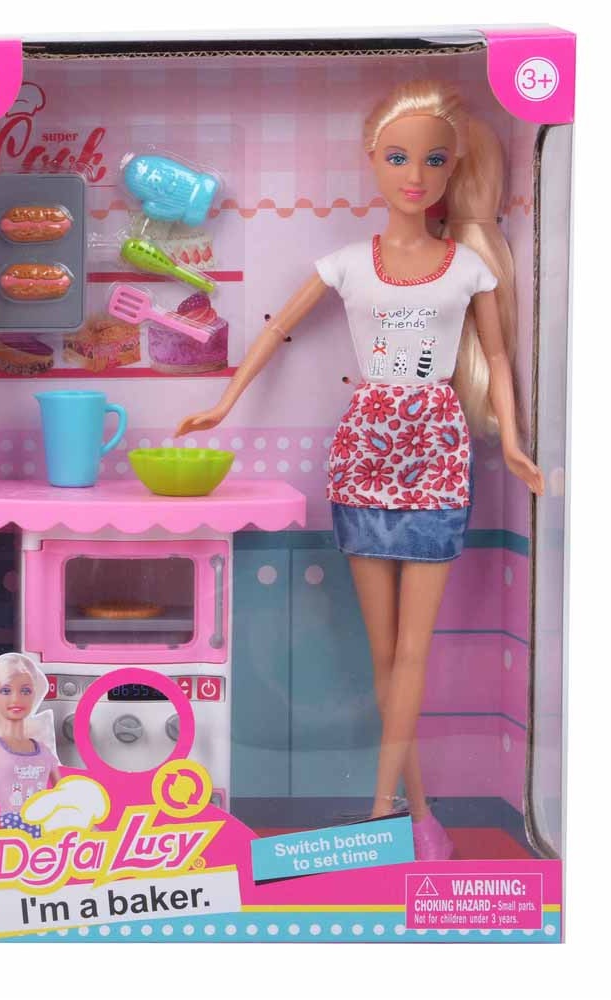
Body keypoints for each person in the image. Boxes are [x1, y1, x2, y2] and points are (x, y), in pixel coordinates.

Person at [175, 80, 544, 860]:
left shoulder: (468, 268)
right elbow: (276, 329)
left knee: (414, 651)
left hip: (438, 454)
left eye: (434, 160)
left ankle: (383, 814)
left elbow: (498, 359)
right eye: (399, 157)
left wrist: (513, 444)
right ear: (371, 160)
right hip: (364, 454)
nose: (416, 175)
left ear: (453, 168)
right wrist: (223, 403)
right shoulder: (348, 263)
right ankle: (416, 813)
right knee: (382, 653)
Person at [0, 652, 61, 844]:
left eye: (25, 691)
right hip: (7, 831)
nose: (16, 699)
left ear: (34, 694)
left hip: (45, 831)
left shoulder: (44, 751)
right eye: (6, 691)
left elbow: (63, 795)